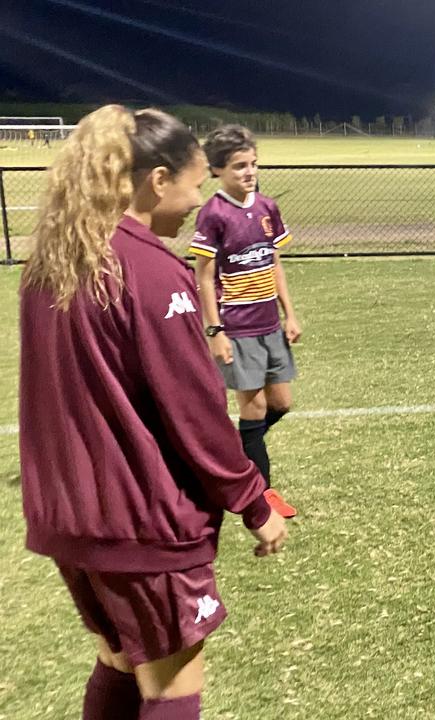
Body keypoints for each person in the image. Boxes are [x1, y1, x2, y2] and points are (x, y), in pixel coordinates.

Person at [19, 105, 287, 720]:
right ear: (157, 180)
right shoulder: (149, 269)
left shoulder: (54, 262)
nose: (195, 203)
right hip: (141, 521)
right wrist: (253, 502)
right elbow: (193, 410)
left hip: (71, 518)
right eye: (193, 186)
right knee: (170, 685)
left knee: (120, 662)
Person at [191, 125, 302, 519]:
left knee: (282, 404)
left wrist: (289, 313)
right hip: (237, 329)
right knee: (252, 411)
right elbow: (203, 276)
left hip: (270, 323)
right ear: (217, 171)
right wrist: (215, 330)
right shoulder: (214, 214)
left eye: (253, 164)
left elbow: (275, 263)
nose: (249, 172)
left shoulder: (268, 207)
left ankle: (231, 455)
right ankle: (263, 494)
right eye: (239, 166)